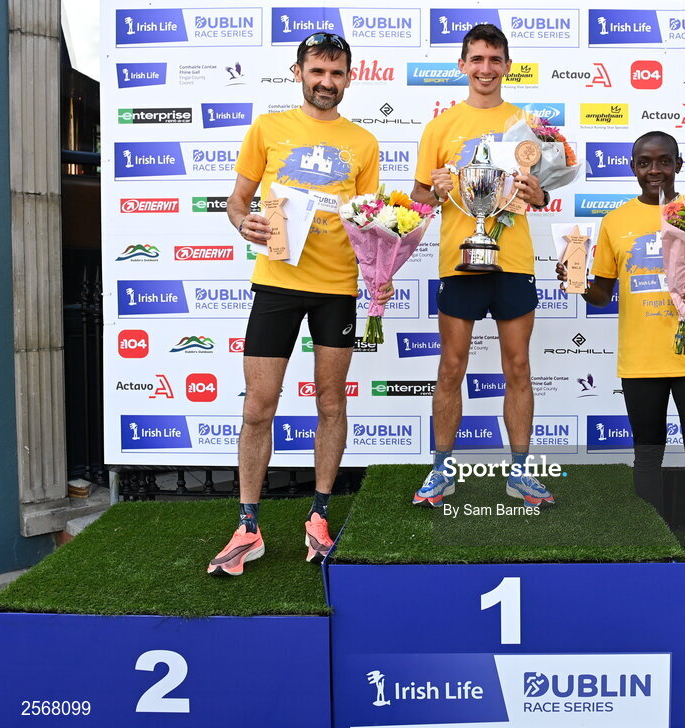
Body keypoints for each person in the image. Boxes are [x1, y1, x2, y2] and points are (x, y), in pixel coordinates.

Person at [207, 33, 388, 576]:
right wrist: (246, 225)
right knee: (258, 406)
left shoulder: (364, 142)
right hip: (278, 281)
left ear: (349, 78)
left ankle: (320, 514)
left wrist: (381, 266)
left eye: (336, 73)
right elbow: (237, 202)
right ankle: (247, 525)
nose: (326, 82)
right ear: (299, 72)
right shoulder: (267, 128)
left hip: (338, 287)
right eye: (318, 72)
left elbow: (371, 219)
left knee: (332, 404)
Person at [557, 131, 685, 608]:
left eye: (663, 161)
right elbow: (601, 293)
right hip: (640, 361)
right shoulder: (616, 221)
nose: (654, 169)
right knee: (647, 460)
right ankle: (652, 557)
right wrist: (572, 280)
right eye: (644, 162)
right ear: (632, 166)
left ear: (678, 163)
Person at [408, 24, 555, 509]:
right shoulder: (440, 126)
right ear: (462, 65)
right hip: (459, 259)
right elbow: (419, 198)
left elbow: (541, 189)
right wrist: (438, 190)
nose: (485, 69)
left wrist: (541, 193)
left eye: (495, 60)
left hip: (513, 261)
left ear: (508, 66)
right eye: (477, 59)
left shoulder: (529, 127)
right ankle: (442, 472)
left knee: (518, 367)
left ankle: (520, 473)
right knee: (451, 367)